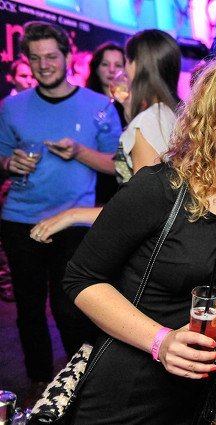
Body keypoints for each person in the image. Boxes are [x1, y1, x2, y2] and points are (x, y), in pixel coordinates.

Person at [61, 50, 216, 424]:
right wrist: (161, 341)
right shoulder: (158, 189)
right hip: (123, 396)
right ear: (206, 122)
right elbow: (80, 279)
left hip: (196, 401)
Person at [0, 21, 120, 397]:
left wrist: (79, 152)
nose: (44, 65)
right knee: (29, 307)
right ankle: (38, 382)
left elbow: (118, 165)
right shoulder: (12, 106)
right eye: (35, 58)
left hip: (73, 222)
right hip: (20, 218)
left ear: (67, 57)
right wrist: (9, 163)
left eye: (51, 56)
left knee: (70, 307)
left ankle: (79, 381)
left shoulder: (99, 106)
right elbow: (2, 154)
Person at [29, 29, 181, 243]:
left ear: (136, 65)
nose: (123, 69)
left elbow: (145, 207)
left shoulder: (148, 121)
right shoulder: (171, 114)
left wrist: (72, 215)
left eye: (126, 61)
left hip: (149, 242)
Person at [85, 41, 126, 205]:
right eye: (105, 64)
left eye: (118, 65)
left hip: (121, 182)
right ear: (96, 67)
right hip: (91, 180)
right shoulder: (84, 102)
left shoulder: (130, 106)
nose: (112, 70)